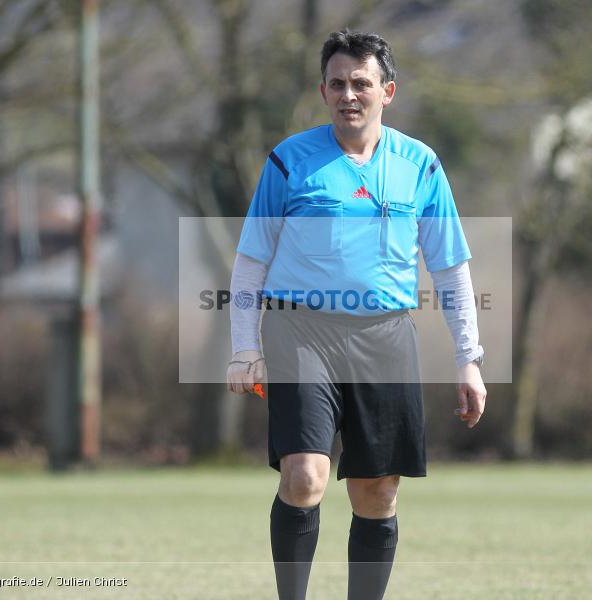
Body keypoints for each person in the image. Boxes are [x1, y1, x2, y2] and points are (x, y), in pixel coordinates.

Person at [225, 30, 487, 600]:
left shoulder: (421, 165)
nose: (349, 94)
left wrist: (469, 357)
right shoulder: (289, 160)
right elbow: (250, 263)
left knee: (377, 492)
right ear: (323, 91)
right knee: (304, 477)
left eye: (361, 83)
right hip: (300, 331)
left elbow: (450, 269)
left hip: (386, 336)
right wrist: (244, 345)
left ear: (387, 91)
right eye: (337, 83)